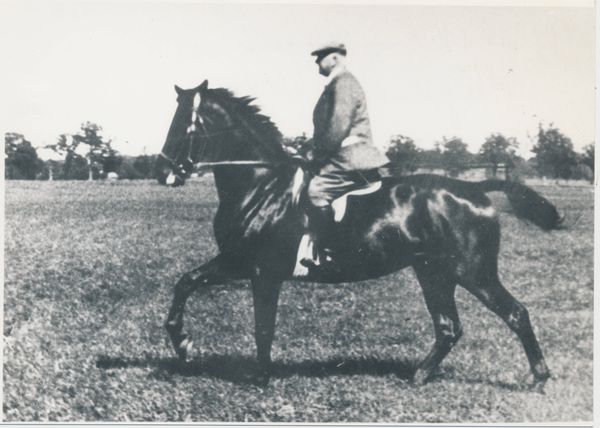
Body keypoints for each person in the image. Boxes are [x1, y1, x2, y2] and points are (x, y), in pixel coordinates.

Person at [300, 41, 388, 271]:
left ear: (335, 59)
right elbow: (326, 129)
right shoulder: (337, 83)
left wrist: (317, 154)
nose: (317, 62)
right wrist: (305, 148)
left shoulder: (344, 83)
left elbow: (338, 127)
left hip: (351, 156)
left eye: (320, 57)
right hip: (345, 153)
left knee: (317, 190)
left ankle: (329, 255)